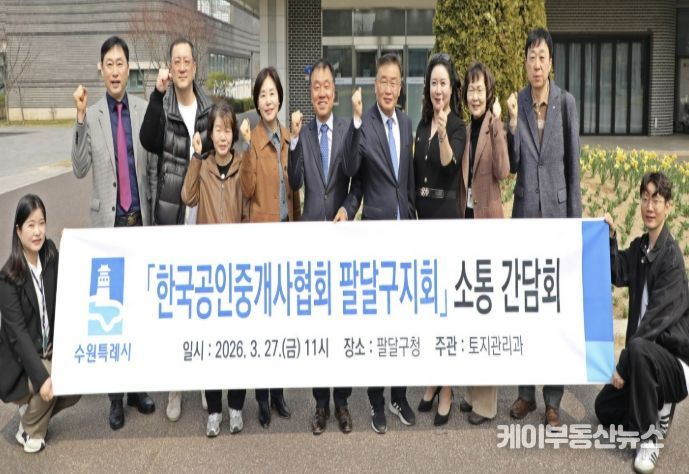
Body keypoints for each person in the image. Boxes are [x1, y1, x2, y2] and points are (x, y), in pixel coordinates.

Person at [71, 35, 156, 431]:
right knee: (112, 315)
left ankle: (138, 388)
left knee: (139, 311)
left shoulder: (141, 110)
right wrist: (78, 117)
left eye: (121, 63)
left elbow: (149, 169)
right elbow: (79, 168)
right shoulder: (93, 115)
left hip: (139, 223)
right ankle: (115, 399)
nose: (116, 70)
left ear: (128, 68)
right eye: (110, 64)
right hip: (109, 227)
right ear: (101, 70)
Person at [506, 27, 582, 427]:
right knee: (524, 309)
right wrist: (512, 124)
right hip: (524, 221)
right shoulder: (518, 102)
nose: (536, 64)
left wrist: (574, 227)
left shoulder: (566, 103)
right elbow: (515, 163)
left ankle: (552, 399)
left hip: (556, 221)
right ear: (525, 63)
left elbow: (573, 169)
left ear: (551, 62)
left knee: (553, 311)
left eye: (542, 57)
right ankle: (525, 395)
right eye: (531, 57)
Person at [342, 53, 417, 433]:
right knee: (378, 323)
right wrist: (347, 209)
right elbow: (352, 171)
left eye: (394, 82)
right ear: (375, 86)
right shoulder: (365, 123)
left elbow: (406, 179)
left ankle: (399, 395)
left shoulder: (406, 122)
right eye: (382, 81)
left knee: (402, 321)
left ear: (400, 87)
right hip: (375, 235)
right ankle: (376, 400)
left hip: (404, 233)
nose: (388, 88)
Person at [139, 37, 213, 422]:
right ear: (170, 67)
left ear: (195, 68)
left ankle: (203, 379)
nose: (182, 67)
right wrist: (156, 93)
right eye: (176, 61)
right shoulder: (164, 108)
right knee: (176, 305)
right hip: (171, 215)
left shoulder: (209, 110)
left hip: (203, 216)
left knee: (202, 303)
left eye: (187, 61)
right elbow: (147, 140)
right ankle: (175, 385)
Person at [595, 173, 689, 474]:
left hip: (673, 363)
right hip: (643, 357)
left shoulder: (672, 260)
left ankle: (650, 439)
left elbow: (653, 324)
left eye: (656, 200)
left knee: (638, 346)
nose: (649, 206)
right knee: (604, 408)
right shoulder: (640, 249)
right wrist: (609, 238)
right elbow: (617, 271)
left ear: (668, 207)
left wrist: (623, 366)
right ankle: (655, 407)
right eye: (645, 198)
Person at [287, 58, 361, 434]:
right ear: (311, 92)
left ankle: (342, 403)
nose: (321, 92)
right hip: (312, 242)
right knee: (318, 326)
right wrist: (294, 141)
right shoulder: (303, 133)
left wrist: (349, 208)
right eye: (315, 86)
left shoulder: (348, 129)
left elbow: (357, 180)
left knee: (341, 325)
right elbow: (295, 180)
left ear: (335, 91)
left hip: (342, 240)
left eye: (326, 85)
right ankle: (320, 405)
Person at [181, 98, 251, 437]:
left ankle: (236, 407)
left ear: (234, 133)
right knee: (211, 341)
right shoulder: (204, 165)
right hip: (209, 268)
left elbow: (249, 203)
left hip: (237, 266)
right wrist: (196, 158)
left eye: (227, 130)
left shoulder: (242, 163)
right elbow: (188, 197)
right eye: (217, 130)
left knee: (236, 340)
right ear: (210, 134)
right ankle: (214, 410)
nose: (223, 137)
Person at [240, 66, 300, 427]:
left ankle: (278, 393)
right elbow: (247, 189)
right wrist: (247, 148)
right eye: (262, 95)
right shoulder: (252, 140)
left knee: (282, 321)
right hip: (261, 240)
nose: (267, 100)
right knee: (262, 323)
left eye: (272, 94)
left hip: (287, 236)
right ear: (256, 101)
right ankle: (261, 397)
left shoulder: (289, 139)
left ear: (280, 97)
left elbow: (296, 190)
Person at [0, 194, 81, 453]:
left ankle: (33, 413)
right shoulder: (8, 278)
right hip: (20, 363)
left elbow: (73, 272)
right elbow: (18, 338)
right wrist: (42, 377)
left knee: (77, 381)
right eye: (31, 225)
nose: (37, 232)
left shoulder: (50, 254)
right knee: (53, 379)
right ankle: (30, 428)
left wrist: (73, 245)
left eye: (42, 223)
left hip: (48, 351)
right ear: (18, 230)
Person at [412, 52, 466, 426]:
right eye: (433, 83)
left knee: (446, 310)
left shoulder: (458, 126)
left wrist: (444, 132)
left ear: (451, 88)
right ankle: (432, 378)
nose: (438, 89)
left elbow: (449, 163)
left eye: (443, 83)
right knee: (429, 309)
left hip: (447, 223)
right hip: (423, 222)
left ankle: (447, 387)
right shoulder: (420, 125)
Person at [456, 62, 510, 425]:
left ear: (488, 93)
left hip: (488, 228)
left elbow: (503, 171)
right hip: (465, 226)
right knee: (468, 314)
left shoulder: (493, 125)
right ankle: (471, 392)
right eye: (471, 90)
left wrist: (500, 126)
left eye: (480, 89)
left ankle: (487, 403)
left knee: (486, 315)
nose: (475, 96)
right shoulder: (465, 128)